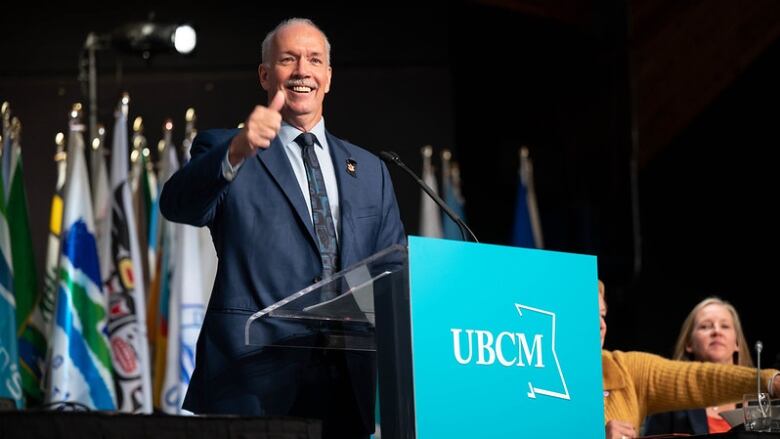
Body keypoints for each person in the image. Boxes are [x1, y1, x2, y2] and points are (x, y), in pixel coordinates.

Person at [160, 18, 405, 439]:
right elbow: (178, 205)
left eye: (314, 60)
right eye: (288, 59)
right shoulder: (226, 147)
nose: (302, 71)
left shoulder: (369, 170)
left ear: (328, 77)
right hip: (251, 383)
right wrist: (238, 151)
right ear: (265, 74)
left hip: (346, 384)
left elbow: (394, 267)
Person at [598, 282, 780, 439]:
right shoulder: (568, 378)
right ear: (688, 343)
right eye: (705, 326)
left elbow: (700, 379)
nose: (601, 324)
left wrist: (771, 381)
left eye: (603, 315)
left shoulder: (627, 368)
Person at [643, 297, 754, 435]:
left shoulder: (758, 399)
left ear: (737, 342)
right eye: (705, 326)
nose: (716, 331)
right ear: (689, 343)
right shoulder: (669, 401)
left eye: (725, 326)